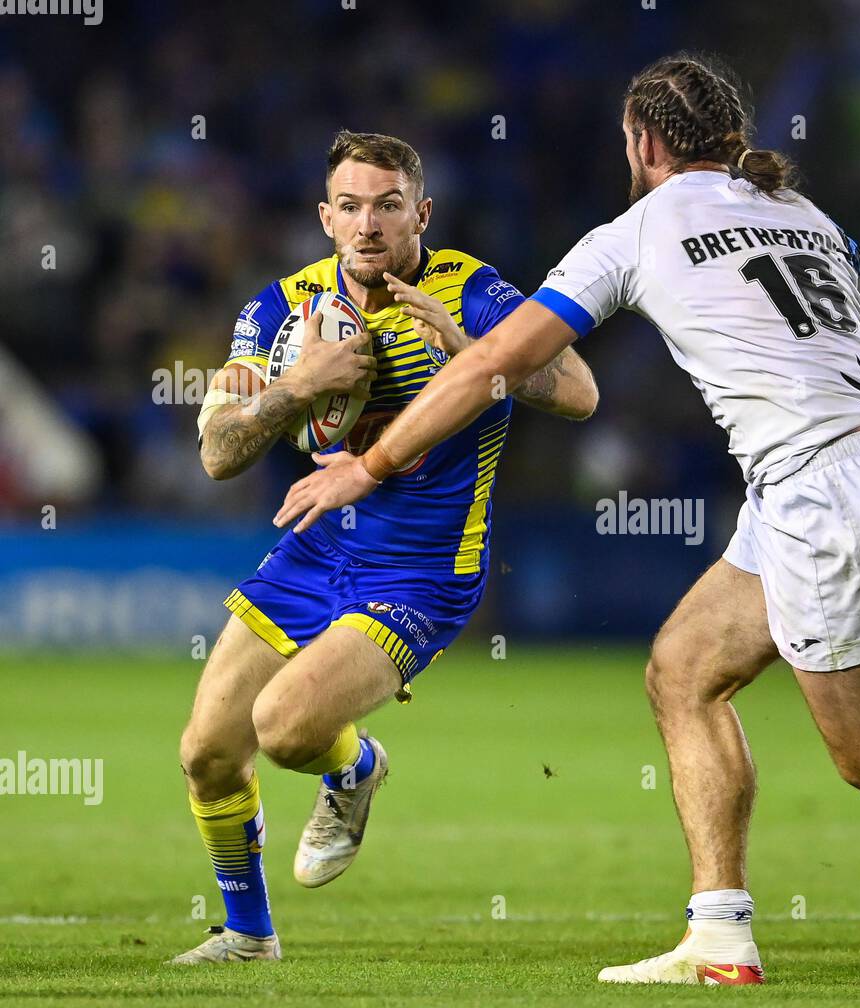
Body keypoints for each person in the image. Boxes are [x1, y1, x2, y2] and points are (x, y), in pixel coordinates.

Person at [273, 61, 860, 984]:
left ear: (642, 141)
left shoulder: (638, 230)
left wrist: (371, 462)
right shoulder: (806, 218)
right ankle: (719, 936)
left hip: (821, 485)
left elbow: (492, 368)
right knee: (684, 670)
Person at [171, 130, 596, 964]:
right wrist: (298, 385)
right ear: (326, 217)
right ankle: (249, 935)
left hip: (422, 571)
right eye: (352, 207)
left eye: (389, 206)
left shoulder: (471, 291)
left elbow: (579, 391)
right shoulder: (279, 310)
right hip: (311, 552)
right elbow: (217, 453)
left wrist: (476, 357)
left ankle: (355, 765)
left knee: (287, 729)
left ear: (421, 213)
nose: (369, 225)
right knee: (207, 753)